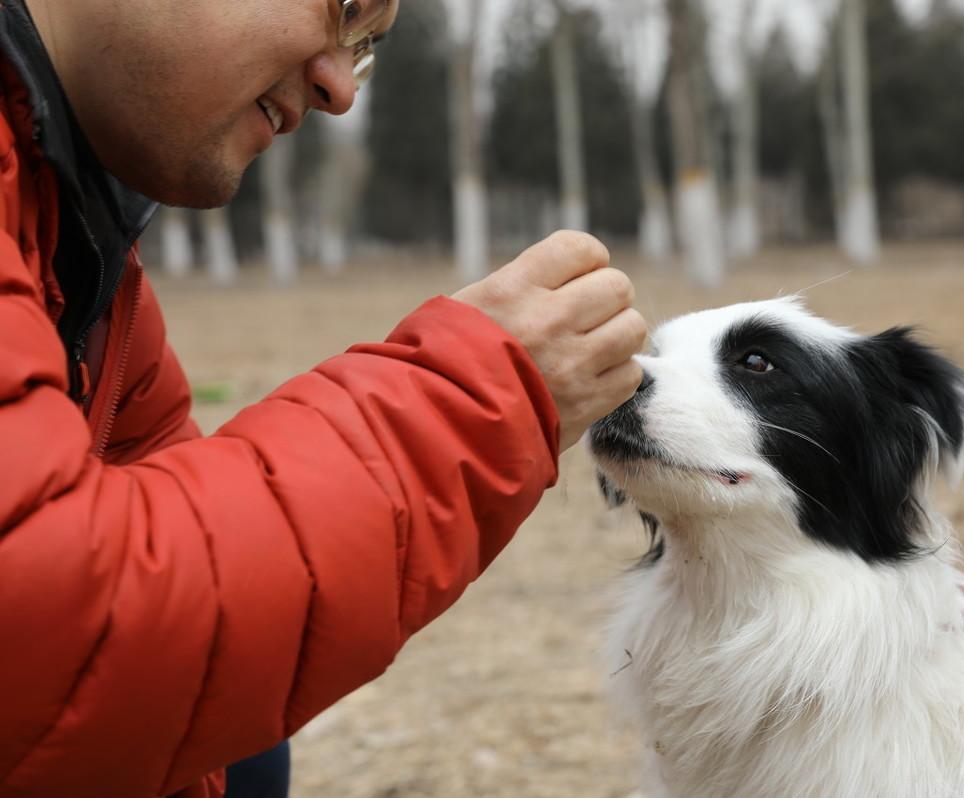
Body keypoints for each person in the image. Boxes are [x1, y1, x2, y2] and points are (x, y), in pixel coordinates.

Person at [0, 0, 647, 796]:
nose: (342, 88)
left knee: (239, 751)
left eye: (366, 48)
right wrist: (474, 399)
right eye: (343, 7)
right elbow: (48, 638)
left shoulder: (78, 247)